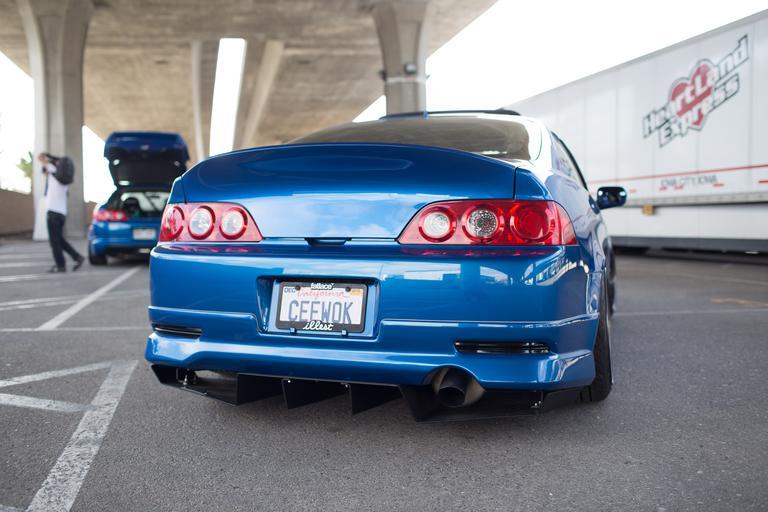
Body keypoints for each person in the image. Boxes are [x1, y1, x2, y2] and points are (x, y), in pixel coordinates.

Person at [39, 152, 84, 272]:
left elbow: (41, 159)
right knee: (59, 239)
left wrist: (48, 156)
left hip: (52, 212)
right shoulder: (65, 179)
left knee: (54, 242)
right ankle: (77, 257)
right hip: (61, 213)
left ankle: (61, 265)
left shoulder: (53, 171)